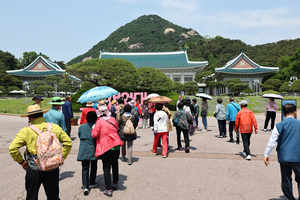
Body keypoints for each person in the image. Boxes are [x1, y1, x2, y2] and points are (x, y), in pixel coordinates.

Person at [9, 104, 72, 200]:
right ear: (42, 115)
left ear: (30, 118)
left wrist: (22, 162)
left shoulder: (26, 131)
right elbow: (68, 142)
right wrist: (59, 157)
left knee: (32, 197)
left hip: (34, 169)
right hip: (52, 167)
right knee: (53, 196)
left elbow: (12, 149)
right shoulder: (54, 127)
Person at [264, 104, 300, 200]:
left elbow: (272, 141)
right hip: (298, 156)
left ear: (283, 114)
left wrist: (266, 154)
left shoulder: (279, 125)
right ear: (295, 112)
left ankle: (290, 198)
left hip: (284, 156)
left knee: (286, 179)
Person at [92, 106, 123, 197]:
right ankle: (115, 182)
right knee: (115, 164)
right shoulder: (113, 119)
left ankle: (108, 189)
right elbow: (116, 129)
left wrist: (93, 129)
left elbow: (94, 134)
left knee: (106, 167)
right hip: (116, 145)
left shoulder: (99, 122)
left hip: (106, 147)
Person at [78, 111, 98, 195]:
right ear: (96, 118)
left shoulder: (82, 127)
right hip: (93, 148)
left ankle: (85, 186)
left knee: (85, 167)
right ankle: (92, 182)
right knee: (93, 166)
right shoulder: (96, 126)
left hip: (84, 148)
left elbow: (79, 135)